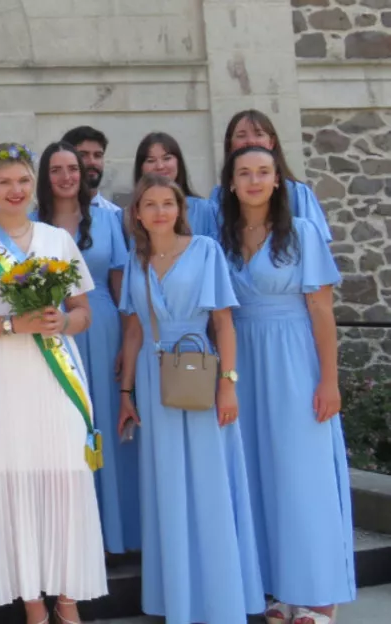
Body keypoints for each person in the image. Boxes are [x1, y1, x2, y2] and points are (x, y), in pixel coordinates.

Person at [0, 143, 108, 622]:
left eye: (22, 180)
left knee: (65, 474)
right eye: (4, 183)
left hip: (54, 373)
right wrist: (11, 326)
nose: (15, 190)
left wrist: (64, 324)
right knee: (9, 476)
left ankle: (67, 594)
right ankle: (32, 600)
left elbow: (84, 310)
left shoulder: (56, 239)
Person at [118, 174, 265, 623]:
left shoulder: (205, 250)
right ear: (138, 214)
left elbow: (223, 323)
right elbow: (135, 330)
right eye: (150, 204)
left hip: (197, 369)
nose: (160, 211)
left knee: (208, 481)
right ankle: (178, 601)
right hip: (151, 376)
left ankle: (220, 601)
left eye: (168, 202)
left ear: (180, 208)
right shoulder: (135, 260)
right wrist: (126, 392)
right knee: (167, 486)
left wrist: (229, 383)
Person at [218, 146, 355, 624]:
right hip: (245, 363)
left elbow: (321, 310)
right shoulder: (224, 239)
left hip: (295, 359)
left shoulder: (302, 233)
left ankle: (318, 594)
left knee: (303, 474)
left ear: (278, 180)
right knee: (261, 474)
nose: (254, 180)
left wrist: (330, 380)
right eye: (244, 173)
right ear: (230, 184)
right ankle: (281, 589)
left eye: (263, 172)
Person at [30, 141, 139, 557]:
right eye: (56, 170)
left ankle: (112, 534)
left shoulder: (108, 221)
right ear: (45, 176)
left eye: (72, 168)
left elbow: (121, 290)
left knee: (104, 430)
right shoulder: (31, 224)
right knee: (62, 432)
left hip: (103, 330)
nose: (66, 177)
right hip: (51, 333)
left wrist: (128, 347)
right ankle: (69, 541)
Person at [208, 109, 331, 242]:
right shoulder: (218, 196)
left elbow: (317, 244)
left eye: (258, 134)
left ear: (271, 142)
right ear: (230, 144)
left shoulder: (298, 193)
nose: (250, 141)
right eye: (241, 135)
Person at [133, 132, 218, 239]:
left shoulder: (205, 210)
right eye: (151, 160)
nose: (160, 166)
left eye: (167, 158)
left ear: (178, 162)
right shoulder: (127, 217)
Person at [63, 125, 122, 215]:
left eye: (98, 155)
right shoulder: (43, 219)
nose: (92, 162)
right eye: (82, 155)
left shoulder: (116, 216)